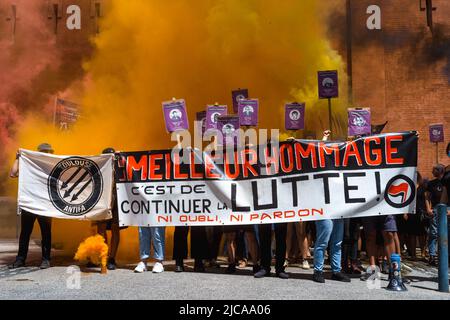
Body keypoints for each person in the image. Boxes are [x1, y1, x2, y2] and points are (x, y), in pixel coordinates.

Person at [312, 130, 350, 283]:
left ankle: (336, 270)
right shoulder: (321, 166)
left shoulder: (343, 167)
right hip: (324, 208)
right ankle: (318, 271)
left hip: (338, 207)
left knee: (337, 241)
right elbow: (317, 153)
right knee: (323, 240)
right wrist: (324, 139)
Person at [8, 143, 54, 269]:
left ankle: (45, 259)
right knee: (25, 232)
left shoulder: (53, 166)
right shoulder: (30, 165)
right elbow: (13, 173)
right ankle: (20, 259)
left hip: (45, 204)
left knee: (46, 232)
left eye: (49, 152)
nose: (46, 153)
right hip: (30, 203)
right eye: (44, 151)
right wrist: (18, 157)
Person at [94, 147, 125, 270]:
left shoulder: (120, 167)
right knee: (101, 230)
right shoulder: (99, 168)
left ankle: (112, 258)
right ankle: (104, 256)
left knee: (115, 229)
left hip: (117, 200)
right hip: (102, 201)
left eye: (112, 156)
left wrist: (120, 155)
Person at [425, 164, 445, 266]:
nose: (432, 172)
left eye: (434, 170)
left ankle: (444, 255)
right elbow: (427, 197)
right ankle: (432, 256)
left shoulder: (447, 182)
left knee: (445, 233)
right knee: (433, 233)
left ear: (439, 171)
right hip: (435, 209)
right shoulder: (431, 183)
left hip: (446, 209)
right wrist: (428, 208)